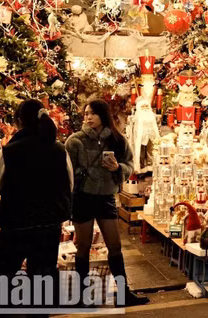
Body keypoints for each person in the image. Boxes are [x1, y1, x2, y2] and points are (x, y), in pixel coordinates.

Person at [0, 99, 72, 310]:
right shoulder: (59, 149)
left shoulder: (10, 151)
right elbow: (69, 185)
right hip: (48, 227)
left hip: (15, 226)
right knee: (42, 284)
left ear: (18, 122)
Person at [66, 99, 149, 306]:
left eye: (93, 113)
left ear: (103, 115)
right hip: (82, 198)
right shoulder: (75, 141)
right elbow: (65, 172)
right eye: (86, 114)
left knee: (115, 245)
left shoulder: (117, 140)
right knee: (83, 246)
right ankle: (81, 296)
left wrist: (117, 168)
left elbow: (130, 164)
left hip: (106, 198)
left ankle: (123, 294)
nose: (88, 117)